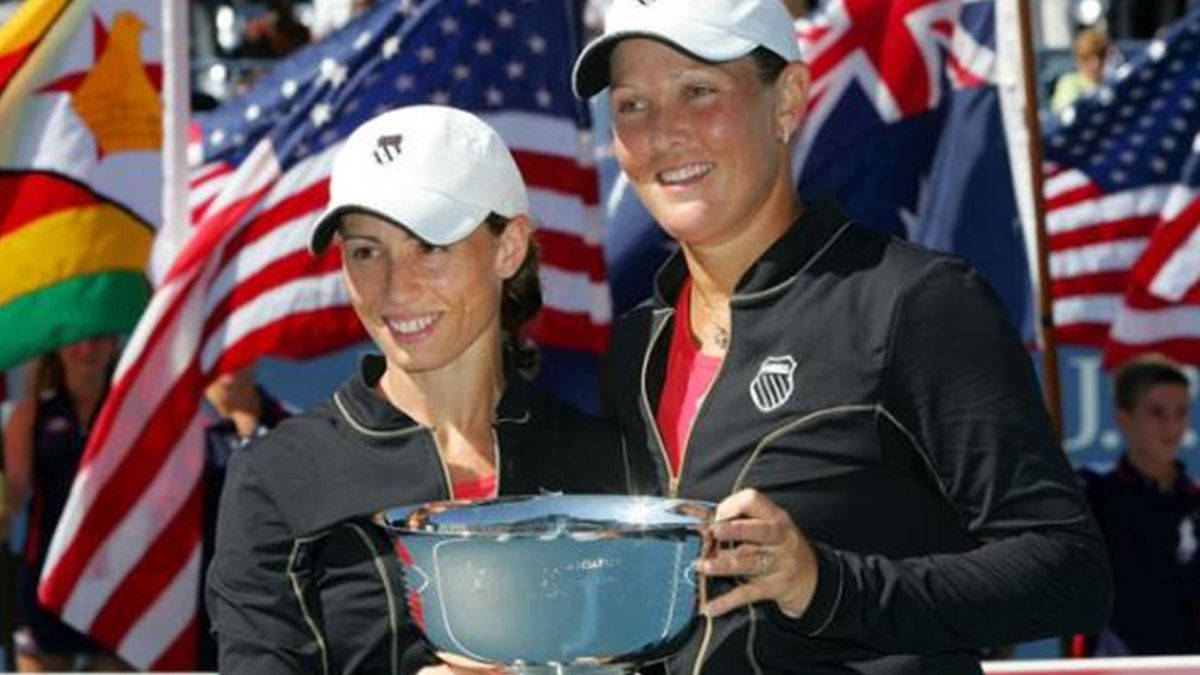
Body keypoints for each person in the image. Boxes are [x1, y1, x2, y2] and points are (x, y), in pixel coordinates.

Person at [572, 0, 1112, 672]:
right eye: (631, 105)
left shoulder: (915, 302)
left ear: (788, 100)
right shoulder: (633, 348)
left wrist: (825, 585)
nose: (663, 132)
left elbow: (1069, 572)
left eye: (699, 91)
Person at [206, 105, 636, 675]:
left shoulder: (607, 464)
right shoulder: (276, 477)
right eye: (365, 251)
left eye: (430, 245)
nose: (394, 287)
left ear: (508, 248)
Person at [2, 336, 129, 672]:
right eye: (75, 340)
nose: (86, 349)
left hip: (116, 584)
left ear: (114, 344)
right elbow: (14, 493)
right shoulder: (34, 412)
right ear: (57, 346)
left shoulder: (133, 411)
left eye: (97, 339)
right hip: (46, 583)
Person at [1077, 355, 1197, 655]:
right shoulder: (1091, 494)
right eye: (1157, 412)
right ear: (1124, 417)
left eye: (1181, 412)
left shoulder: (1195, 499)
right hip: (1116, 666)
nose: (1172, 425)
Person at [196, 365, 291, 670]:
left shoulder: (295, 429)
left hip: (276, 625)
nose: (232, 354)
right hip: (189, 629)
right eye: (221, 339)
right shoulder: (169, 434)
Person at [1050, 27, 1110, 113]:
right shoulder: (1069, 83)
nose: (1096, 63)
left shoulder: (1111, 82)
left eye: (1101, 56)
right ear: (1078, 60)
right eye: (1087, 58)